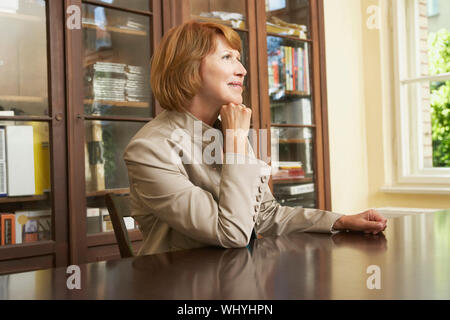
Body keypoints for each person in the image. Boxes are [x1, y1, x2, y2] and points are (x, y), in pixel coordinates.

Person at [124, 21, 387, 256]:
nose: (242, 70)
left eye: (238, 59)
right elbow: (231, 234)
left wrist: (341, 221)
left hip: (235, 280)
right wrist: (237, 140)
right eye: (227, 57)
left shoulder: (229, 131)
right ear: (188, 69)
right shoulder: (149, 149)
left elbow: (265, 214)